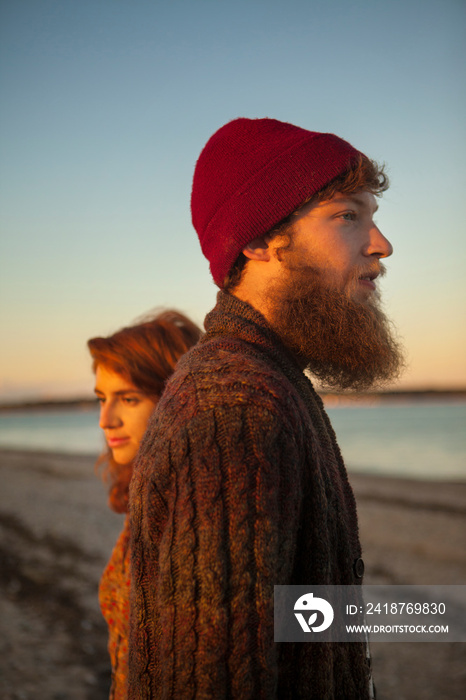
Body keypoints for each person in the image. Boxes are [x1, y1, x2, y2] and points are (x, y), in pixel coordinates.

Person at [128, 118, 404, 699]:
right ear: (257, 240)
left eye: (370, 217)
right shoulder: (233, 405)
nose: (380, 244)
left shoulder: (273, 380)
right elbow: (211, 679)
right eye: (347, 215)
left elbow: (294, 617)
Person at [87, 310, 202, 700]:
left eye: (128, 398)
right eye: (102, 398)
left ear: (176, 400)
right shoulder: (146, 493)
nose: (105, 419)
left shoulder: (197, 509)